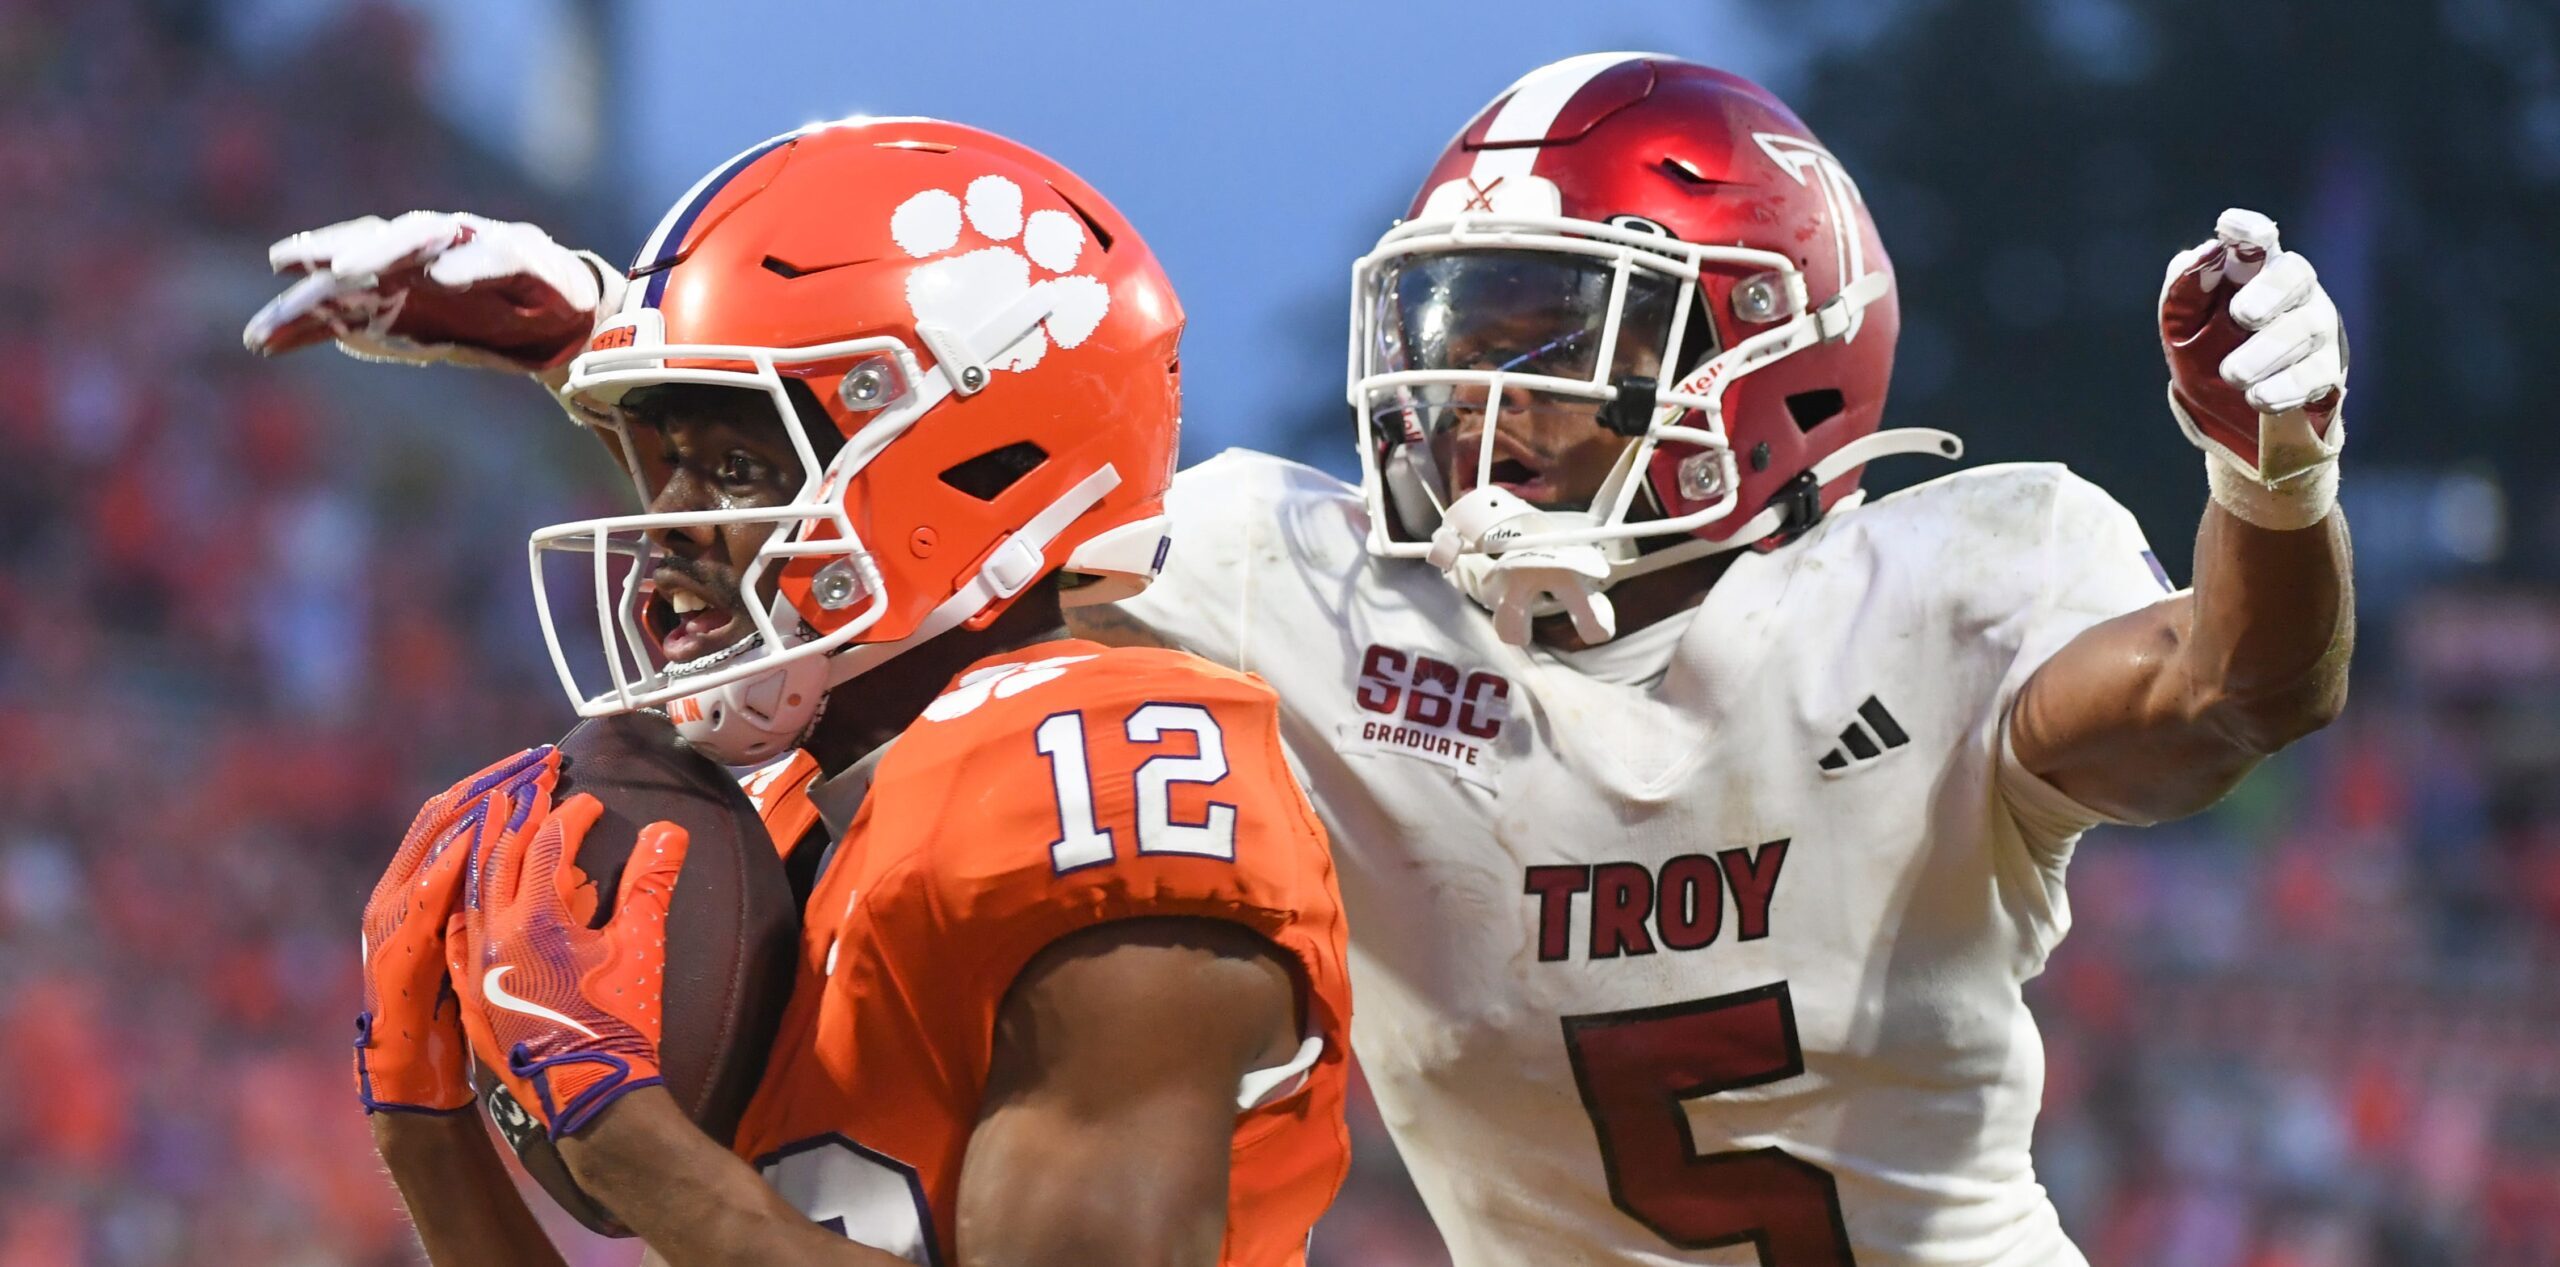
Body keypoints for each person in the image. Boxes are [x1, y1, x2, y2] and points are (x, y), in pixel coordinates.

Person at [255, 53, 2354, 1266]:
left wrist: (2271, 483)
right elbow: (950, 489)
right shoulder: (1313, 583)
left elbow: (2223, 700)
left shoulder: (1951, 582)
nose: (1465, 397)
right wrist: (625, 334)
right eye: (1449, 328)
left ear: (1762, 356)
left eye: (1547, 335)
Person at [307, 118, 1352, 1267]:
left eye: (741, 469)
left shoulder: (1095, 775)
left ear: (972, 466)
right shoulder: (808, 805)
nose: (672, 530)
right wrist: (427, 1125)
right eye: (668, 463)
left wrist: (624, 1136)